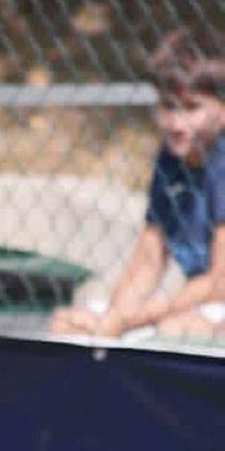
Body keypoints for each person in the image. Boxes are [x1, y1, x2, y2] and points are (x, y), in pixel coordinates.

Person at [49, 28, 224, 342]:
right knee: (68, 324)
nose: (176, 123)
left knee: (176, 332)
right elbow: (148, 258)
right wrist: (111, 319)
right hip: (201, 306)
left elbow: (219, 282)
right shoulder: (170, 161)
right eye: (168, 106)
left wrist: (131, 320)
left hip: (214, 303)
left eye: (192, 107)